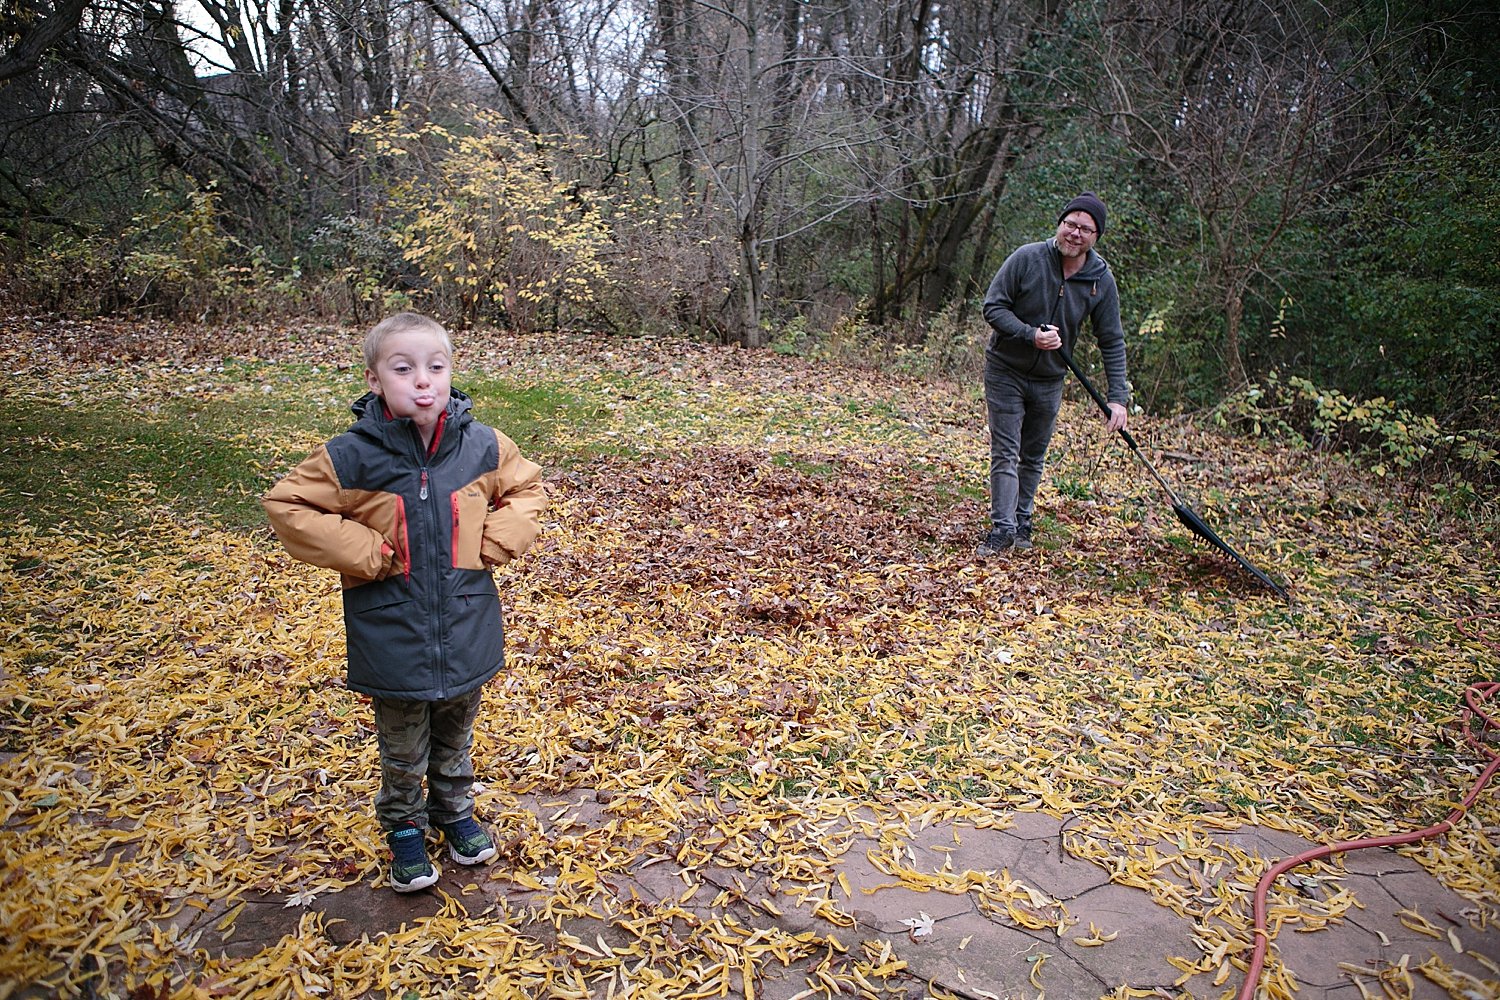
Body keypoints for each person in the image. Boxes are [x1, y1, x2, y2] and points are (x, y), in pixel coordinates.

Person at [262, 312, 547, 892]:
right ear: (375, 380)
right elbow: (287, 504)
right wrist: (366, 550)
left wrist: (496, 539)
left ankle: (454, 810)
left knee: (456, 735)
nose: (423, 380)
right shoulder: (351, 456)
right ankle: (404, 826)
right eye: (404, 368)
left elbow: (526, 488)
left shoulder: (483, 446)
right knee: (402, 746)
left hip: (467, 622)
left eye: (435, 367)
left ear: (450, 373)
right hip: (391, 632)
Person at [977, 191, 1129, 556]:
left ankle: (1023, 517)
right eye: (1070, 224)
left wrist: (1117, 399)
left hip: (1050, 378)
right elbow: (993, 307)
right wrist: (1030, 335)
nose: (1075, 234)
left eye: (1085, 229)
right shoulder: (1027, 258)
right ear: (1060, 225)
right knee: (1006, 449)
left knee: (1033, 454)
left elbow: (1112, 340)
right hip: (1006, 369)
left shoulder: (1100, 280)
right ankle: (1003, 529)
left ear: (1095, 237)